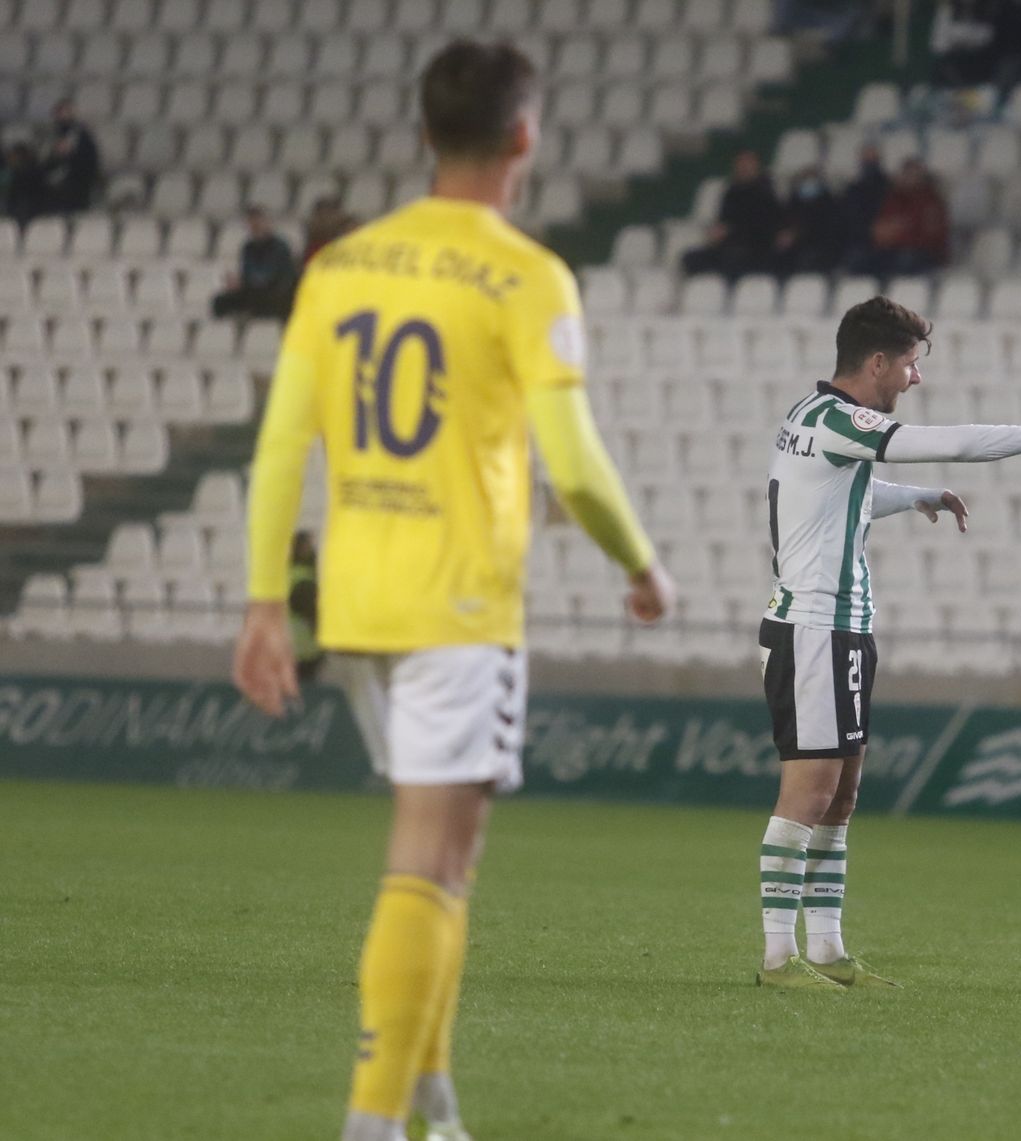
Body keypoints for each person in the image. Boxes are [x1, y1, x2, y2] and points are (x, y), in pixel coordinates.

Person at [231, 40, 674, 1141]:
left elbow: (282, 444)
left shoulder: (338, 266)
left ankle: (431, 1101)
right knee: (431, 860)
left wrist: (262, 604)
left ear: (424, 133)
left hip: (355, 601)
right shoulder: (527, 274)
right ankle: (373, 1122)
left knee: (439, 861)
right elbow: (575, 465)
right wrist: (639, 562)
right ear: (526, 136)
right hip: (459, 607)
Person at [755, 295, 1021, 989]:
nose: (915, 378)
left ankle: (828, 950)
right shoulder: (839, 419)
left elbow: (838, 498)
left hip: (842, 628)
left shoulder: (817, 420)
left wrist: (914, 496)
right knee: (810, 791)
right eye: (910, 364)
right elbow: (951, 440)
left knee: (841, 795)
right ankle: (778, 957)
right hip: (812, 627)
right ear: (877, 363)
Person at [680, 149, 784, 281]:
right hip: (728, 247)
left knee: (735, 259)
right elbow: (724, 221)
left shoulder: (766, 193)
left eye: (748, 163)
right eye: (740, 164)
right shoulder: (731, 192)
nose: (744, 168)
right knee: (690, 258)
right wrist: (717, 232)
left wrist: (731, 230)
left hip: (756, 249)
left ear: (757, 166)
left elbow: (764, 226)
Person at [846, 158, 950, 278]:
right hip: (892, 249)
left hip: (923, 252)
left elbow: (932, 237)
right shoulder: (893, 199)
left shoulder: (931, 202)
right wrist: (886, 233)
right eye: (906, 174)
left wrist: (901, 233)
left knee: (905, 261)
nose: (909, 178)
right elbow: (881, 228)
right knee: (858, 260)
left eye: (913, 175)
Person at [211, 206, 300, 321]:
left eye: (258, 222)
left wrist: (246, 282)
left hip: (275, 292)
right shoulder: (248, 247)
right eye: (252, 223)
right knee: (220, 301)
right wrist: (238, 282)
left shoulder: (279, 246)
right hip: (254, 290)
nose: (255, 226)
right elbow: (247, 272)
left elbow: (272, 275)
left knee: (264, 297)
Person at [773, 165, 845, 277]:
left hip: (822, 252)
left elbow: (831, 232)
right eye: (805, 180)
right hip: (795, 253)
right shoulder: (792, 205)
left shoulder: (830, 205)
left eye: (812, 180)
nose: (808, 184)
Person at [39, 98, 101, 215]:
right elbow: (44, 161)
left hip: (76, 185)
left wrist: (71, 153)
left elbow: (90, 162)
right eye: (59, 112)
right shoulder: (50, 135)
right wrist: (55, 154)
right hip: (52, 185)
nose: (62, 116)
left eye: (66, 111)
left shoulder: (82, 135)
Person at [289, 530, 323, 684]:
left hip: (286, 647)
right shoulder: (304, 580)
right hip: (305, 651)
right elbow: (312, 615)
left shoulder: (287, 574)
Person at [304, 195, 358, 263]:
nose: (325, 219)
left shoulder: (342, 243)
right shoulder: (308, 241)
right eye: (322, 215)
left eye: (330, 215)